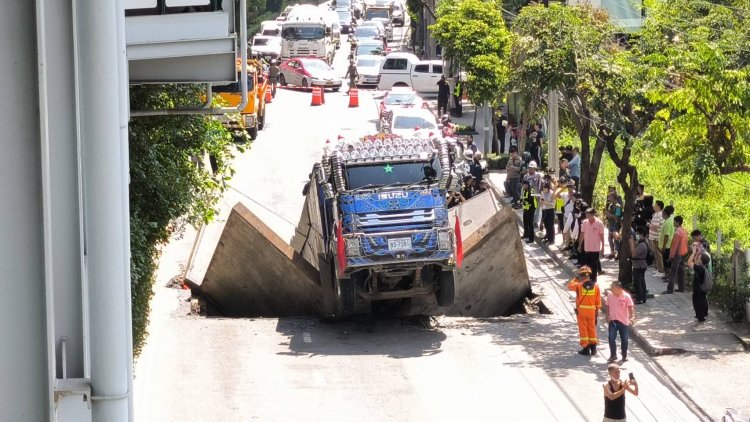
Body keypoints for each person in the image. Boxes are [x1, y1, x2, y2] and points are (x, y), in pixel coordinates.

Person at [568, 266, 601, 356]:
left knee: (583, 330)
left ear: (581, 275)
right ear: (590, 275)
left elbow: (569, 285)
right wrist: (596, 313)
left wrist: (576, 278)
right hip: (592, 311)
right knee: (592, 329)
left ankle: (586, 349)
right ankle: (593, 349)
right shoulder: (596, 287)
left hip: (582, 311)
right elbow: (598, 302)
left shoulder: (578, 286)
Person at [605, 281, 635, 362]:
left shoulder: (626, 296)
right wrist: (607, 316)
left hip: (624, 322)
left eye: (612, 286)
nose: (611, 288)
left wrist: (632, 317)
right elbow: (607, 306)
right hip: (613, 321)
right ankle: (613, 355)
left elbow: (630, 308)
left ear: (618, 288)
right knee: (611, 338)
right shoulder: (610, 296)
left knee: (624, 339)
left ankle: (624, 355)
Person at [579, 208, 606, 282]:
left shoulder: (599, 223)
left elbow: (602, 236)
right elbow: (582, 233)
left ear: (593, 214)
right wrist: (579, 244)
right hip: (587, 248)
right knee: (587, 265)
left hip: (595, 248)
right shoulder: (584, 222)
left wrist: (602, 248)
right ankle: (587, 280)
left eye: (589, 214)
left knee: (594, 266)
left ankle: (594, 280)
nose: (587, 216)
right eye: (586, 214)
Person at [687, 246, 711, 323]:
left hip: (698, 290)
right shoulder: (704, 268)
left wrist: (693, 252)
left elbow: (689, 263)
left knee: (697, 305)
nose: (697, 258)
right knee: (703, 302)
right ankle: (704, 315)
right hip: (702, 290)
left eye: (699, 258)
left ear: (701, 261)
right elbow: (695, 262)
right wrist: (697, 254)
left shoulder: (699, 269)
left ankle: (701, 320)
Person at [665, 215, 688, 294]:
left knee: (673, 271)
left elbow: (674, 245)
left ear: (677, 222)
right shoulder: (685, 231)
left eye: (674, 222)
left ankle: (669, 289)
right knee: (681, 271)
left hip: (677, 254)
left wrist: (671, 256)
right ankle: (682, 288)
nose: (673, 223)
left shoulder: (677, 232)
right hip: (684, 253)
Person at [630, 226, 650, 304]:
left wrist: (631, 243)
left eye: (637, 233)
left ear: (641, 234)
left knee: (637, 282)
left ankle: (640, 298)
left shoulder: (642, 244)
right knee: (641, 281)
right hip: (640, 265)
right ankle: (643, 297)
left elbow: (634, 254)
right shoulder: (643, 242)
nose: (636, 235)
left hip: (639, 266)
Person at [648, 200, 666, 276]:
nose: (653, 206)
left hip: (656, 238)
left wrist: (648, 224)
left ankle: (661, 270)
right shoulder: (656, 214)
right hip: (654, 237)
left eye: (655, 205)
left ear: (659, 206)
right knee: (656, 254)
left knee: (658, 254)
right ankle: (659, 269)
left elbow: (655, 227)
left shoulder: (659, 215)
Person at [658, 205, 676, 280]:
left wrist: (664, 246)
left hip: (667, 245)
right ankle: (667, 274)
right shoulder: (668, 220)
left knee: (667, 262)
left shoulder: (668, 223)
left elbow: (667, 235)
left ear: (665, 214)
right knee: (666, 261)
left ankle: (669, 275)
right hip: (666, 245)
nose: (661, 215)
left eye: (662, 213)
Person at [605, 192, 623, 260]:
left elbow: (617, 217)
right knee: (610, 238)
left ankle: (618, 253)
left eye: (610, 196)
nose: (608, 198)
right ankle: (612, 253)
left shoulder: (618, 206)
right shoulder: (610, 205)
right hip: (610, 224)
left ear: (613, 197)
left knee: (616, 239)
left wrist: (609, 215)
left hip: (615, 224)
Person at [521, 179, 538, 243]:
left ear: (527, 185)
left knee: (530, 224)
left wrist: (524, 201)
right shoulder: (525, 190)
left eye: (525, 185)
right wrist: (521, 201)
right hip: (526, 208)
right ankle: (526, 235)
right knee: (525, 222)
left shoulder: (531, 190)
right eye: (523, 185)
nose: (523, 186)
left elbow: (531, 199)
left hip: (531, 209)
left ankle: (531, 239)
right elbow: (524, 198)